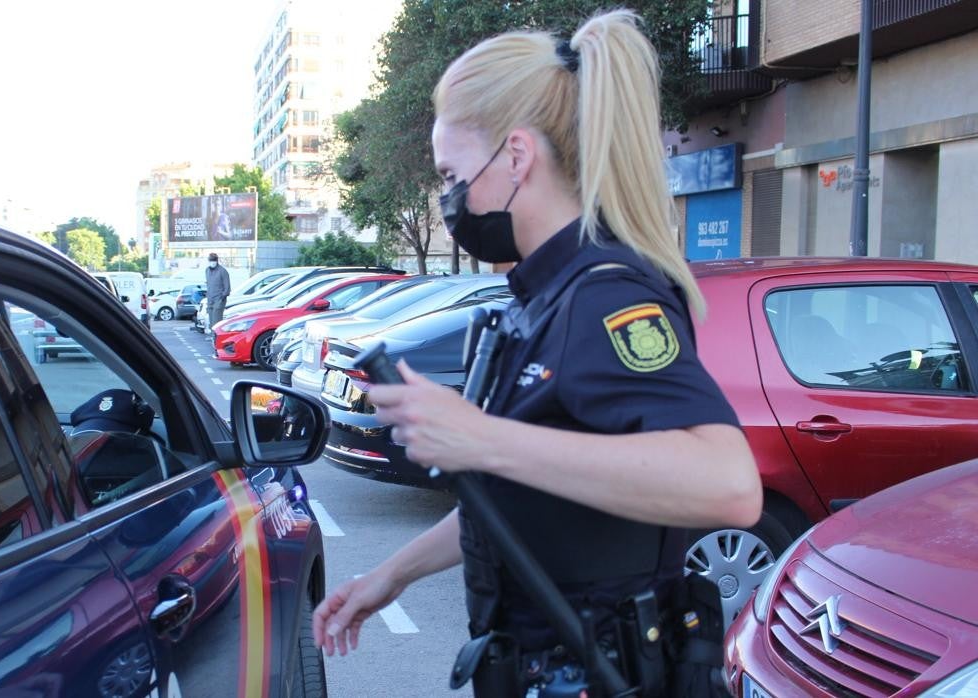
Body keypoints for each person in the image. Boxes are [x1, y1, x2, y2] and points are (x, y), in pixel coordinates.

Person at [312, 10, 761, 696]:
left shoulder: (605, 297)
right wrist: (389, 577)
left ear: (517, 157)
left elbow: (728, 485)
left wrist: (483, 438)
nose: (449, 199)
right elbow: (521, 495)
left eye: (452, 174)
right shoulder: (543, 299)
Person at [205, 252, 231, 349]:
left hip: (219, 299)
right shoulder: (207, 270)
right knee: (211, 321)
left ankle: (218, 340)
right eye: (211, 260)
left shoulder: (222, 271)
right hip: (210, 299)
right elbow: (208, 284)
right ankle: (213, 338)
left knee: (217, 320)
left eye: (214, 260)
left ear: (217, 260)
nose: (212, 262)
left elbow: (227, 287)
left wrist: (222, 297)